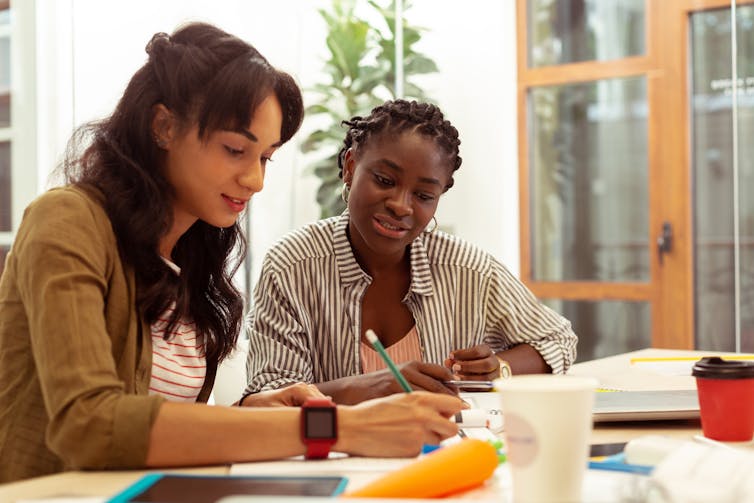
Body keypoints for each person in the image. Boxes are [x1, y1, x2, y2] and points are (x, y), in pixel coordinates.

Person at [0, 24, 463, 483]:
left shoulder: (187, 253)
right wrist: (339, 427)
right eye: (236, 149)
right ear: (163, 126)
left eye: (265, 157)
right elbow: (92, 425)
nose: (255, 181)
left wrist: (253, 413)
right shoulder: (67, 222)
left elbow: (165, 421)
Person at [244, 99, 578, 405]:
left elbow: (558, 339)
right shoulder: (292, 266)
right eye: (385, 180)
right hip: (335, 463)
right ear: (350, 166)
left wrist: (500, 367)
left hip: (445, 457)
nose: (400, 206)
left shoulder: (470, 270)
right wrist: (370, 387)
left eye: (423, 195)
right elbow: (267, 397)